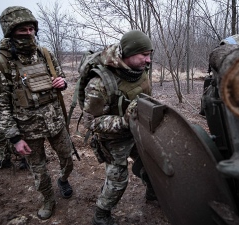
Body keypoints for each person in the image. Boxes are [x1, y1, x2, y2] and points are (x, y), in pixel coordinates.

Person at [0, 6, 74, 220]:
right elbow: (0, 105)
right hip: (27, 130)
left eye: (31, 29)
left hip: (55, 122)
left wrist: (62, 83)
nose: (28, 33)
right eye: (22, 30)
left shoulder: (45, 54)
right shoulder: (0, 64)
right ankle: (48, 200)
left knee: (68, 158)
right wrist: (15, 138)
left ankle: (63, 179)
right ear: (10, 31)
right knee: (39, 169)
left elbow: (60, 78)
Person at [82, 30, 156, 225]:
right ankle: (101, 214)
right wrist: (124, 121)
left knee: (153, 163)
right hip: (112, 138)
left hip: (138, 130)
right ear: (129, 54)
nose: (148, 60)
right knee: (117, 180)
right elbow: (91, 123)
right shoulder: (100, 83)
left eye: (150, 54)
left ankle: (153, 192)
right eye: (144, 55)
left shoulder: (139, 71)